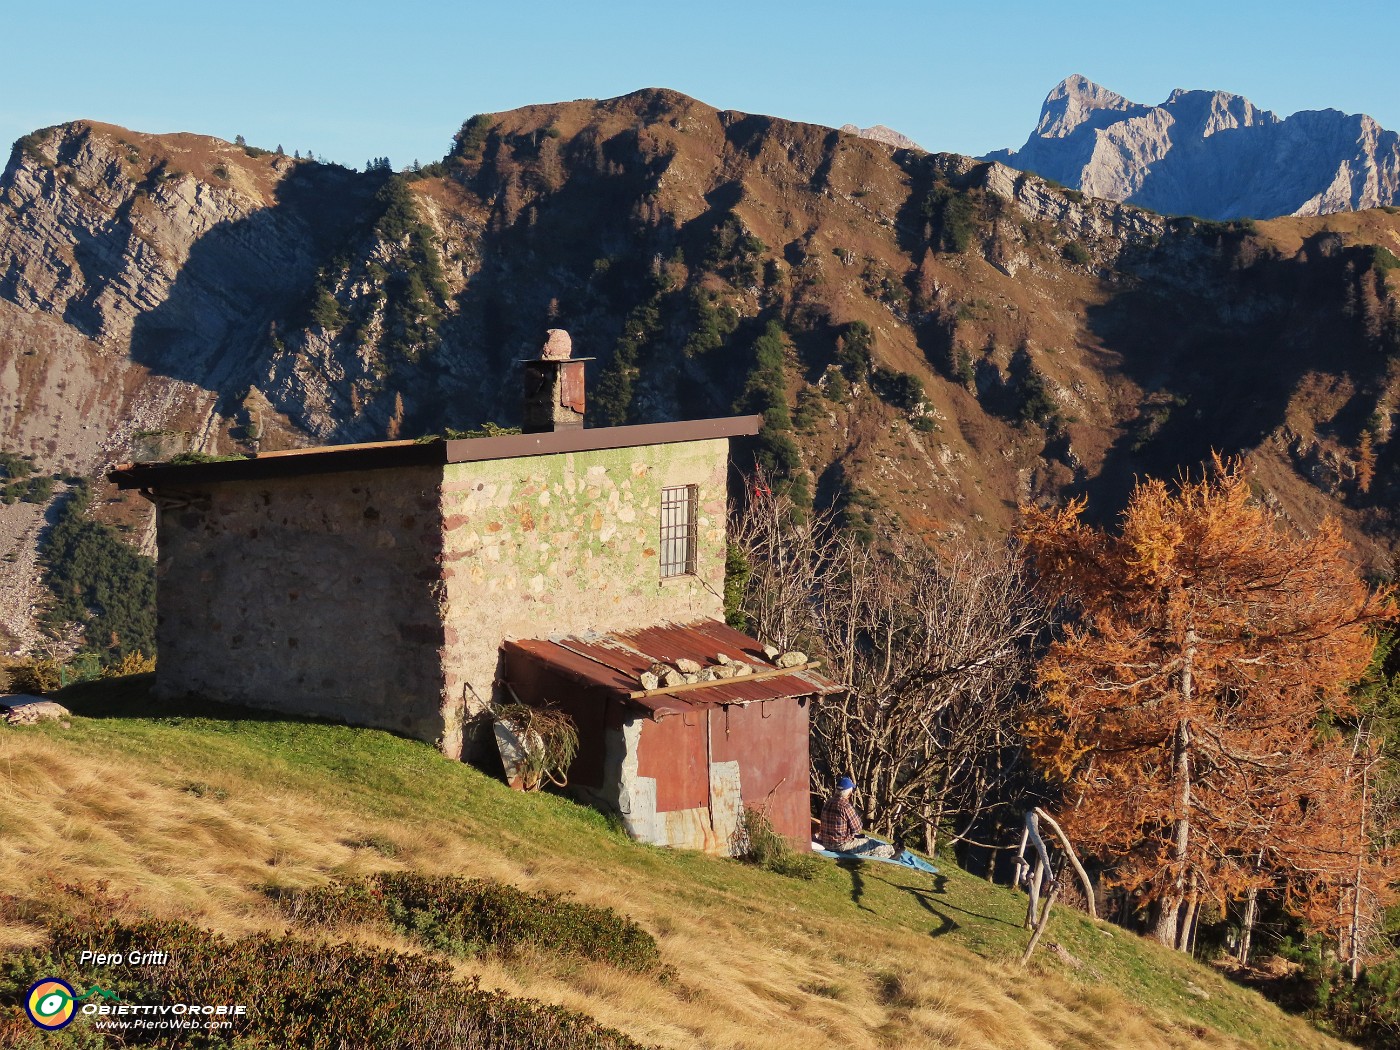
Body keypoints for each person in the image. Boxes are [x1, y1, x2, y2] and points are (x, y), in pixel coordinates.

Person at [818, 776, 895, 858]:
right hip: (841, 846)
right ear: (849, 793)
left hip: (825, 843)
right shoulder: (845, 806)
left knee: (863, 838)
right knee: (870, 844)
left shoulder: (827, 802)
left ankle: (892, 848)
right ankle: (893, 851)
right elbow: (857, 828)